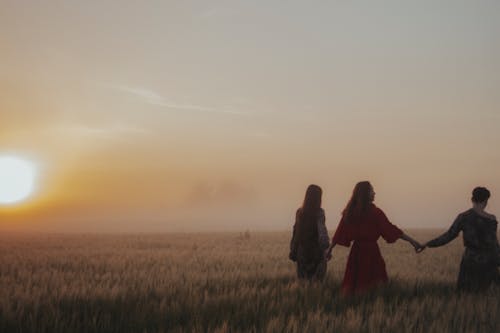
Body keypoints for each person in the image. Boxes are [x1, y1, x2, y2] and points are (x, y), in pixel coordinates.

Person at [325, 181, 421, 295]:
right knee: (373, 284)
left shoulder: (350, 212)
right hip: (371, 252)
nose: (374, 193)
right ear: (366, 193)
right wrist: (413, 242)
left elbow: (339, 233)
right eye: (372, 191)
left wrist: (330, 249)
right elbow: (391, 229)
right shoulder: (375, 212)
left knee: (355, 284)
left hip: (356, 252)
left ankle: (356, 307)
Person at [418, 187, 500, 291]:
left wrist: (427, 244)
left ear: (472, 199)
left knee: (467, 296)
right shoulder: (492, 219)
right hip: (489, 262)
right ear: (486, 201)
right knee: (489, 298)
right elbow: (494, 244)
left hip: (470, 261)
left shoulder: (464, 217)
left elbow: (448, 236)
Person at [289, 184, 330, 281]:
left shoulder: (300, 212)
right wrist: (326, 247)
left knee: (303, 283)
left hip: (302, 253)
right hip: (316, 253)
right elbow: (322, 231)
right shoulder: (320, 213)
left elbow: (296, 233)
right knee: (317, 284)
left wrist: (293, 250)